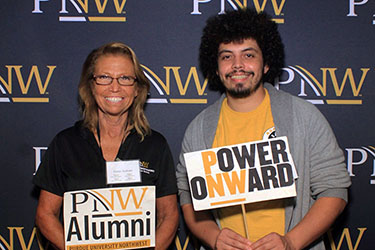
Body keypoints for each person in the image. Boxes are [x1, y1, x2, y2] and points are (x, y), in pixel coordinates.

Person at [176, 8, 351, 250]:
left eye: (248, 55)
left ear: (266, 63)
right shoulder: (198, 129)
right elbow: (188, 197)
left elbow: (334, 190)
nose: (237, 65)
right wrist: (214, 236)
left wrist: (290, 241)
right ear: (215, 68)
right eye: (227, 57)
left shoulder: (303, 116)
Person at [33, 42, 179, 250]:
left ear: (137, 89)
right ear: (92, 86)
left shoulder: (155, 145)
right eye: (104, 77)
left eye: (125, 78)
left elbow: (169, 215)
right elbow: (45, 214)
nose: (115, 87)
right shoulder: (65, 144)